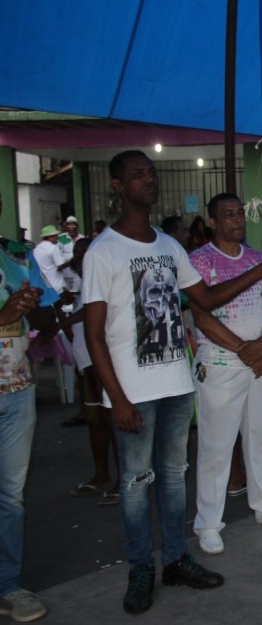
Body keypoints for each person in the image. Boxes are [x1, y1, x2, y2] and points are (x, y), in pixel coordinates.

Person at [83, 150, 262, 615]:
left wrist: (257, 272)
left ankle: (174, 558)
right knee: (135, 482)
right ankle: (140, 569)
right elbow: (93, 335)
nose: (148, 179)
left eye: (151, 172)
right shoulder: (103, 251)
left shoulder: (169, 248)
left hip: (175, 381)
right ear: (117, 187)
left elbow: (205, 299)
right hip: (133, 389)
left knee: (173, 477)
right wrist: (117, 397)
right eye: (138, 174)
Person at [189, 193, 262, 557]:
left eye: (240, 213)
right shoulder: (199, 260)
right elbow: (202, 315)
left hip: (259, 361)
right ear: (212, 221)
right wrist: (245, 350)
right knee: (216, 447)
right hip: (222, 364)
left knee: (258, 437)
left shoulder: (258, 259)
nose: (237, 220)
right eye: (228, 214)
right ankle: (208, 523)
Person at [0, 194, 59, 623]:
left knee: (10, 497)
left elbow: (43, 319)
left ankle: (8, 585)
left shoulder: (12, 258)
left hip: (17, 390)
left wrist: (36, 310)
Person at [63, 238, 121, 505]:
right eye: (76, 252)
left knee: (112, 421)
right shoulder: (81, 285)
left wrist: (58, 323)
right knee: (95, 421)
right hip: (85, 362)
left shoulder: (103, 279)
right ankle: (101, 475)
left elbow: (92, 314)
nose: (79, 256)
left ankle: (124, 479)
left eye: (84, 251)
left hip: (102, 361)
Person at [33, 225, 67, 295]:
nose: (57, 237)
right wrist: (71, 261)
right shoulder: (53, 248)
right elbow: (60, 266)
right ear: (50, 237)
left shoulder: (37, 249)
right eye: (55, 236)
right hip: (56, 285)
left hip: (44, 284)